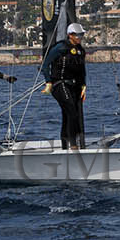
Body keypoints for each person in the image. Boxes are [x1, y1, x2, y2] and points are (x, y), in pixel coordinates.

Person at [42, 22, 88, 150]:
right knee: (72, 112)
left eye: (81, 34)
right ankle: (73, 145)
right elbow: (45, 65)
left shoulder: (80, 51)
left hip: (75, 86)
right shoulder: (60, 48)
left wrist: (84, 85)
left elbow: (82, 70)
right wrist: (48, 82)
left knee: (69, 114)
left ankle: (64, 146)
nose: (79, 37)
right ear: (70, 35)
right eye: (77, 35)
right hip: (59, 84)